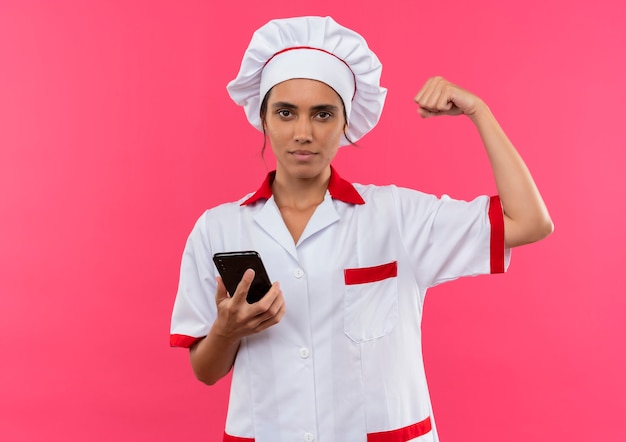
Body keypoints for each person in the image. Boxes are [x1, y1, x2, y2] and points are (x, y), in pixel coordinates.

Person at [170, 16, 553, 442]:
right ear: (263, 119)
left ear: (346, 123)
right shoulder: (218, 229)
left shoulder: (396, 216)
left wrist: (479, 112)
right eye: (285, 112)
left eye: (322, 114)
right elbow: (205, 372)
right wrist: (228, 331)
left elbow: (530, 222)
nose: (303, 132)